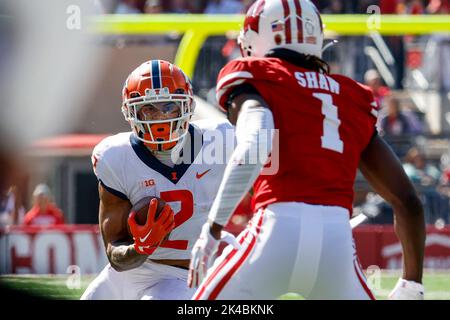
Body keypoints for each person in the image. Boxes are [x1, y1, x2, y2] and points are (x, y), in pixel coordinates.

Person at [188, 0, 425, 300]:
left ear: (257, 37)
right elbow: (408, 201)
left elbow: (255, 145)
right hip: (337, 245)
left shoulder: (256, 74)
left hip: (274, 231)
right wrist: (411, 284)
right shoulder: (352, 96)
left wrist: (213, 230)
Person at [81, 60, 236, 300]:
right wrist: (140, 247)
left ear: (187, 107)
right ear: (130, 112)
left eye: (169, 107)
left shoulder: (222, 139)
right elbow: (115, 253)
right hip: (136, 269)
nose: (159, 119)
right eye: (149, 109)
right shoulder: (115, 157)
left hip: (191, 271)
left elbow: (272, 176)